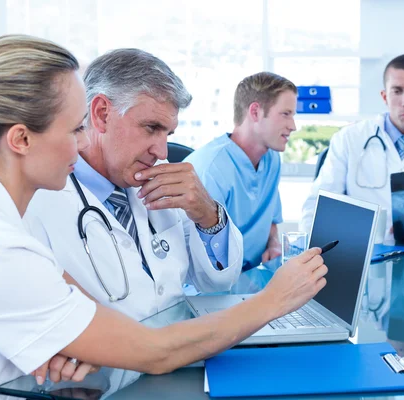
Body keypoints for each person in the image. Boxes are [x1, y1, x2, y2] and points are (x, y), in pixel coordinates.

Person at [0, 34, 328, 399]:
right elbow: (152, 350)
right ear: (22, 139)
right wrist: (275, 299)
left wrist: (74, 335)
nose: (82, 141)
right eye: (75, 129)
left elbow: (71, 304)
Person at [26, 49, 244, 321]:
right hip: (113, 359)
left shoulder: (162, 183)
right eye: (151, 128)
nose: (162, 152)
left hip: (181, 349)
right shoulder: (40, 201)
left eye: (168, 133)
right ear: (102, 114)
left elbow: (218, 283)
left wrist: (208, 214)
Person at [300, 54, 404, 236]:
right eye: (397, 91)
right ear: (384, 96)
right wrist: (313, 255)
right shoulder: (349, 139)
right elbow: (318, 206)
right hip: (363, 252)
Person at [185, 72, 297, 269]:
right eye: (285, 114)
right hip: (213, 284)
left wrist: (274, 244)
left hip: (253, 276)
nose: (293, 126)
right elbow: (200, 260)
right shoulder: (210, 169)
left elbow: (270, 219)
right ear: (255, 112)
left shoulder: (272, 159)